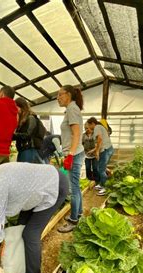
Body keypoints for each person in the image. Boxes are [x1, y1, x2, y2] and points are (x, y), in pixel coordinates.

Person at [56, 85, 85, 233]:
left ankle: (74, 220)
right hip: (75, 152)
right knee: (76, 186)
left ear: (68, 95)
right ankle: (79, 214)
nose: (58, 98)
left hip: (74, 153)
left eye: (60, 94)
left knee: (73, 188)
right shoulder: (71, 109)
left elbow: (77, 133)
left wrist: (70, 154)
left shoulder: (72, 109)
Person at [86, 117, 114, 196]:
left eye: (88, 125)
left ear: (92, 124)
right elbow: (100, 142)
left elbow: (100, 140)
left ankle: (105, 188)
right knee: (100, 168)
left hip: (106, 150)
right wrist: (94, 150)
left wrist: (97, 152)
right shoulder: (99, 127)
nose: (88, 127)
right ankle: (102, 185)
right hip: (107, 149)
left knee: (101, 169)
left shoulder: (97, 127)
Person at [12, 97, 43, 163]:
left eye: (15, 107)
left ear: (21, 106)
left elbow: (28, 135)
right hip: (23, 149)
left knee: (25, 171)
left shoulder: (31, 117)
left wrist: (13, 135)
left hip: (28, 149)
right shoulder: (23, 119)